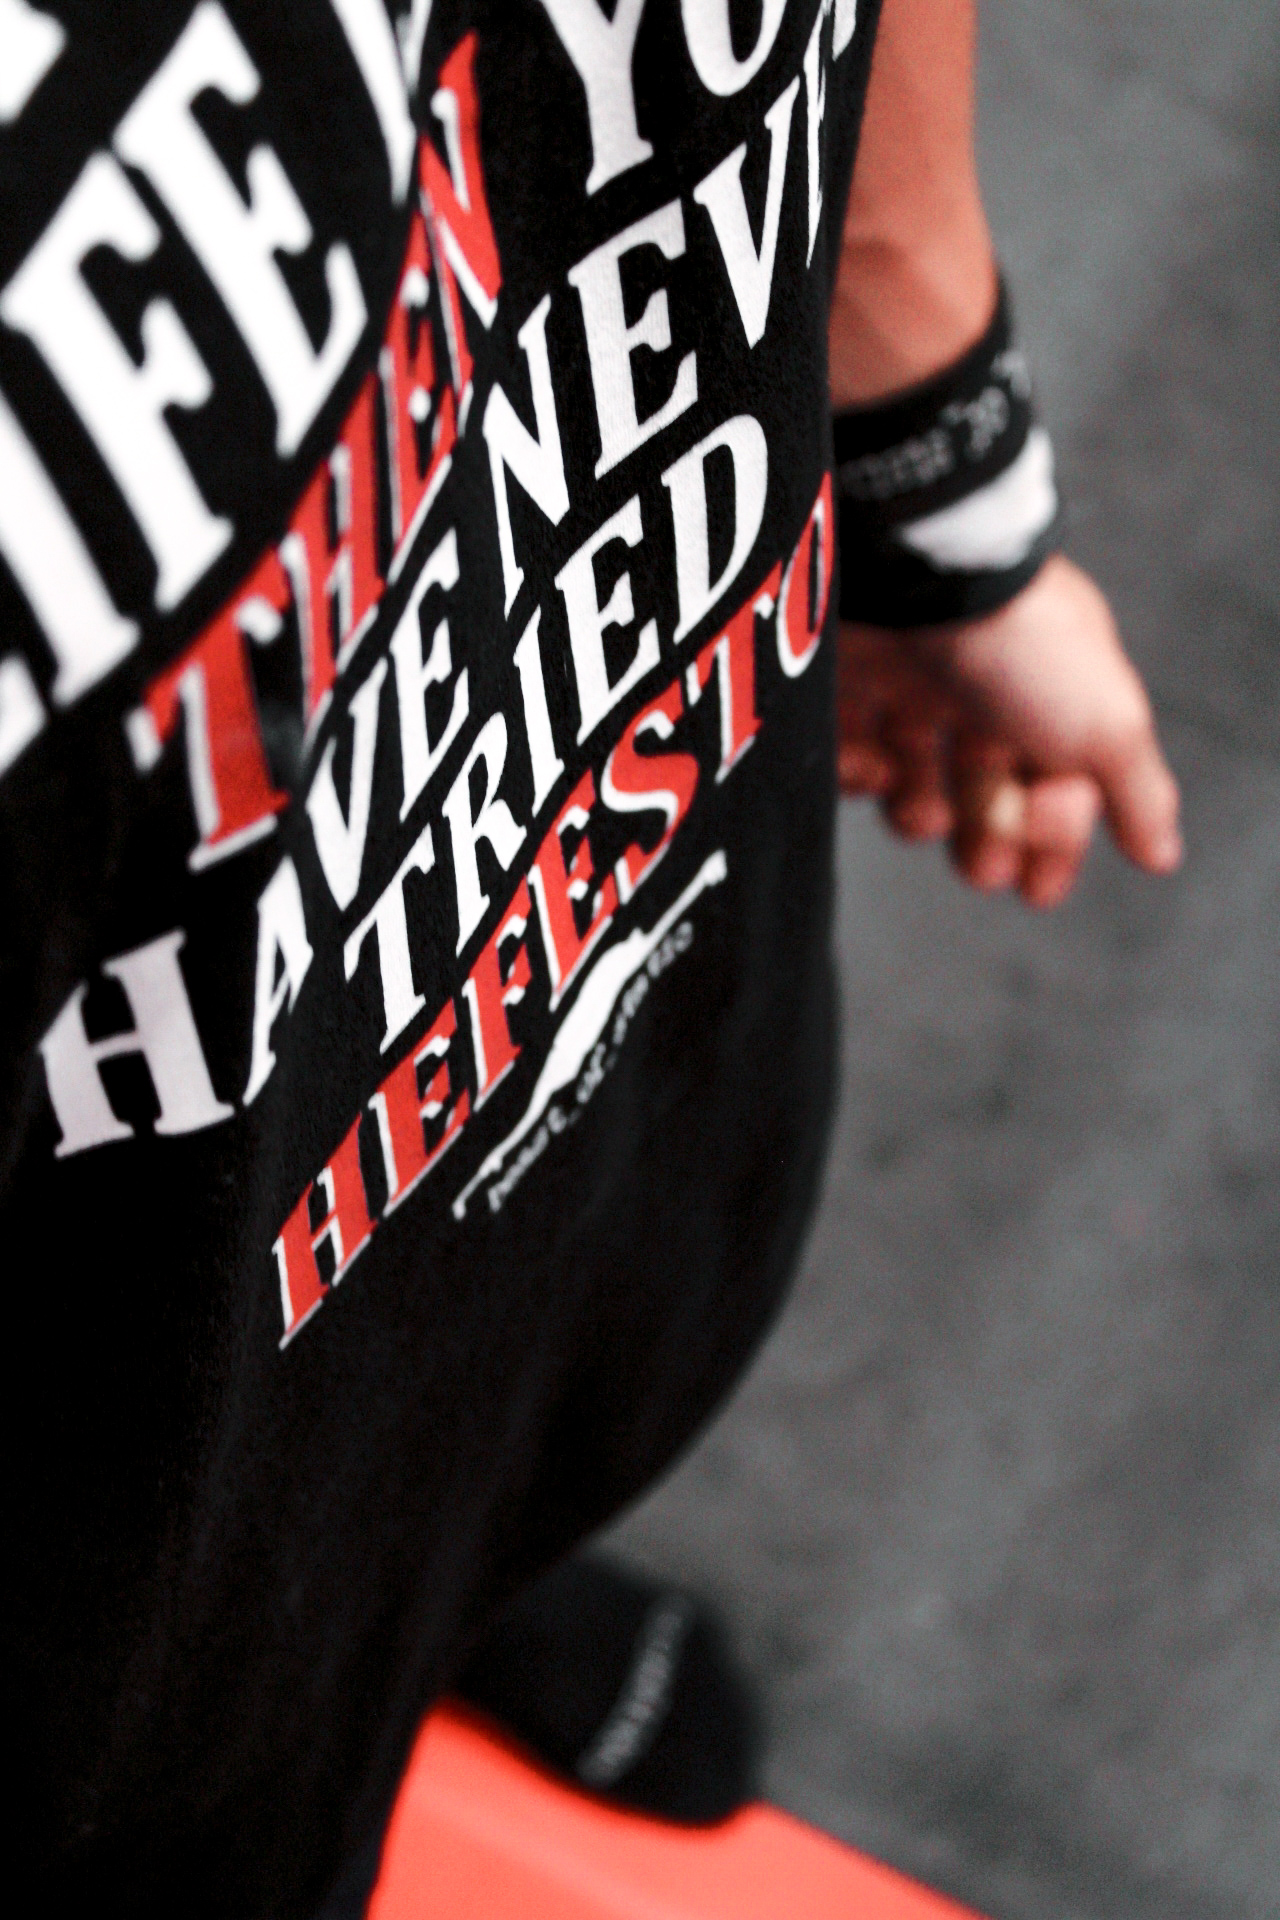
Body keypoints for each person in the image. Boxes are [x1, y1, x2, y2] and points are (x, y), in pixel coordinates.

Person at [0, 1, 1178, 1915]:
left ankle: (426, 1581)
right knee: (207, 1606)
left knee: (479, 1380)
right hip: (116, 1488)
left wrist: (921, 441)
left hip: (577, 811)